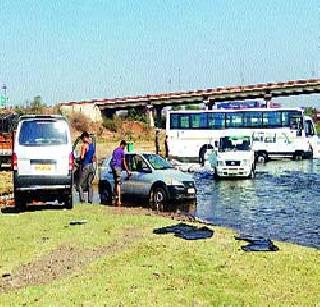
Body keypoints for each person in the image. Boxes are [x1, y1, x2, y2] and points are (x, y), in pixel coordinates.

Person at [110, 140, 130, 207]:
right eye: (125, 146)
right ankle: (119, 201)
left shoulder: (115, 150)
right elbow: (124, 163)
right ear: (123, 145)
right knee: (118, 184)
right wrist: (127, 170)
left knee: (115, 182)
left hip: (113, 167)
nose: (125, 147)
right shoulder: (122, 151)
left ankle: (115, 197)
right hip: (118, 167)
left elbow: (112, 159)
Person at [78, 132, 96, 204]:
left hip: (85, 166)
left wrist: (79, 159)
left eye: (82, 138)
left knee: (80, 184)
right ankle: (90, 200)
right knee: (90, 184)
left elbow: (82, 157)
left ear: (85, 138)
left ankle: (82, 199)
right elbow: (93, 157)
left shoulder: (84, 146)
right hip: (91, 166)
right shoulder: (92, 146)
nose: (82, 140)